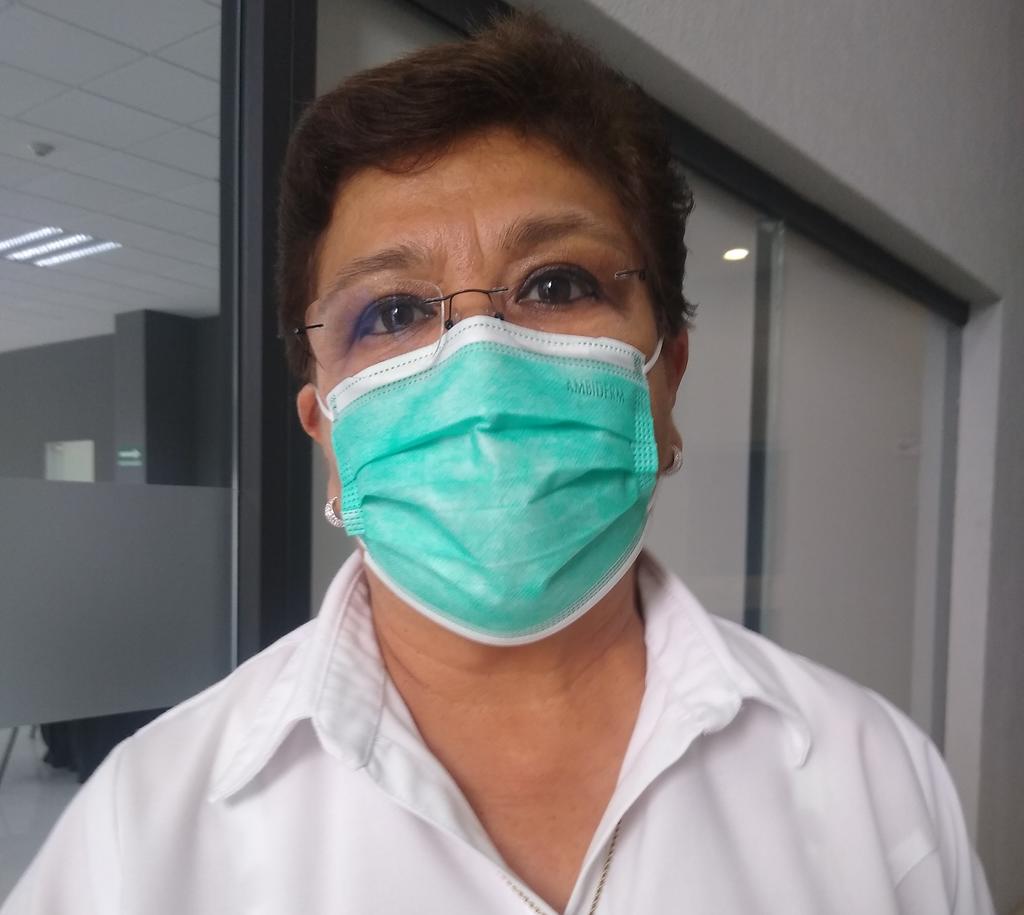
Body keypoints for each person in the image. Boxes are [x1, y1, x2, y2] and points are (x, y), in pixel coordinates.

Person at [2, 10, 994, 915]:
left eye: (555, 284)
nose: (479, 364)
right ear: (326, 432)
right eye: (392, 311)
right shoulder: (141, 834)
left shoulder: (875, 785)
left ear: (665, 379)